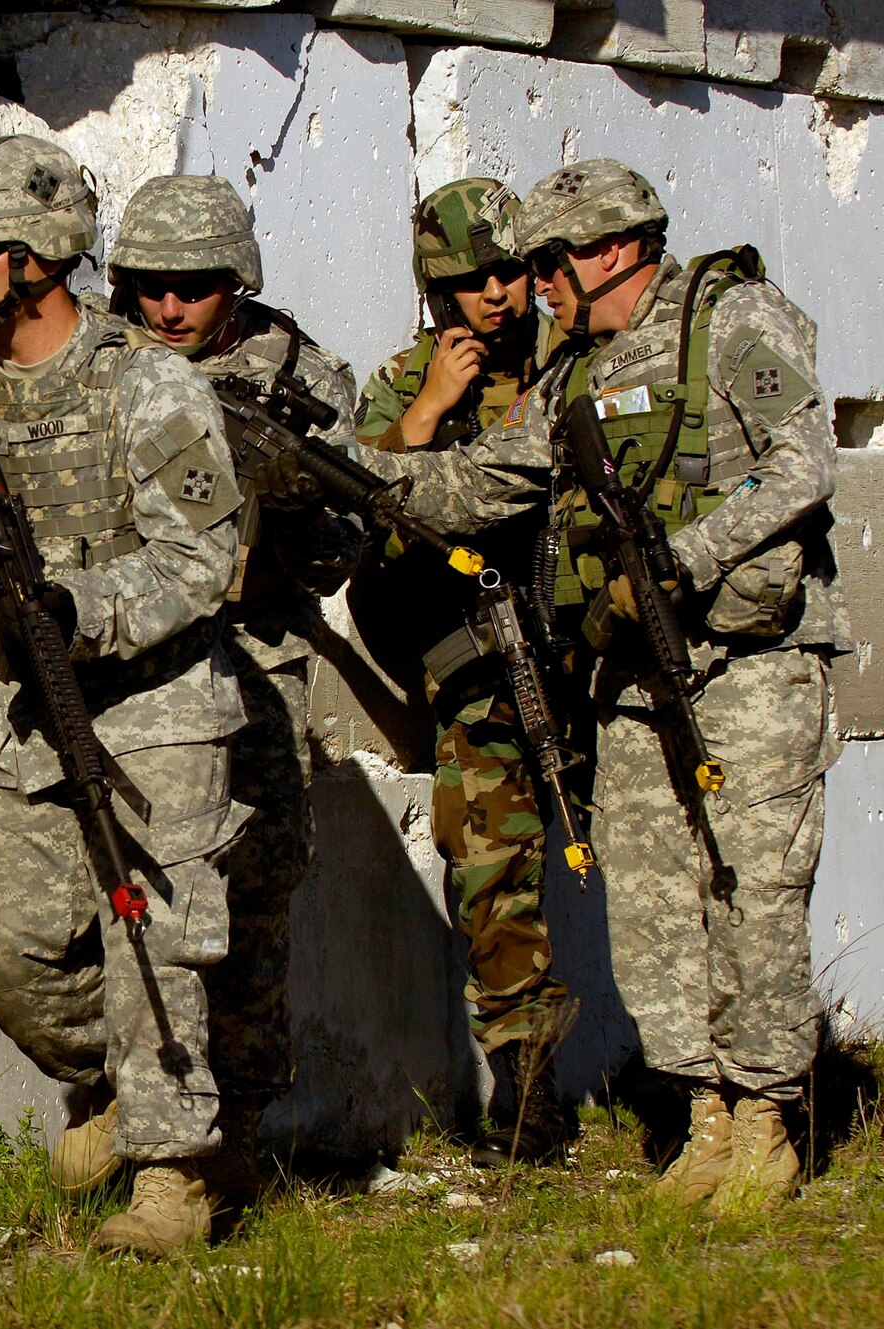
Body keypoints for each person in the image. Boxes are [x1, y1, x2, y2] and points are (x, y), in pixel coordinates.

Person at [364, 160, 849, 1210]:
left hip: (749, 660)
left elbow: (800, 460)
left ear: (612, 249)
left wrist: (684, 560)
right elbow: (483, 479)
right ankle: (703, 1117)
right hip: (628, 674)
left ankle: (767, 1117)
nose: (531, 287)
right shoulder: (572, 375)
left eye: (546, 263)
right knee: (651, 896)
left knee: (750, 886)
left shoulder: (728, 320)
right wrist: (363, 476)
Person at [0, 135, 248, 1255]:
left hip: (155, 701)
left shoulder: (150, 386)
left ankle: (173, 1179)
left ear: (43, 254)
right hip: (12, 701)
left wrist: (82, 609)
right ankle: (125, 1086)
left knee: (155, 939)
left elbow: (198, 557)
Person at [90, 172, 363, 1206]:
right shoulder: (92, 365)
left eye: (194, 286)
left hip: (252, 671)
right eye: (151, 285)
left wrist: (290, 510)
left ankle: (230, 1137)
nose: (169, 309)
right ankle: (119, 1105)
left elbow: (348, 540)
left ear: (236, 284)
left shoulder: (307, 379)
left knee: (245, 906)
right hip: (120, 672)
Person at [350, 178, 575, 1166]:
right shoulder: (406, 380)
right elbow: (354, 500)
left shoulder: (575, 366)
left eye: (510, 271)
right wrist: (435, 405)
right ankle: (528, 1091)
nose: (495, 293)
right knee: (490, 867)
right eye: (471, 279)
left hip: (589, 645)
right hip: (484, 661)